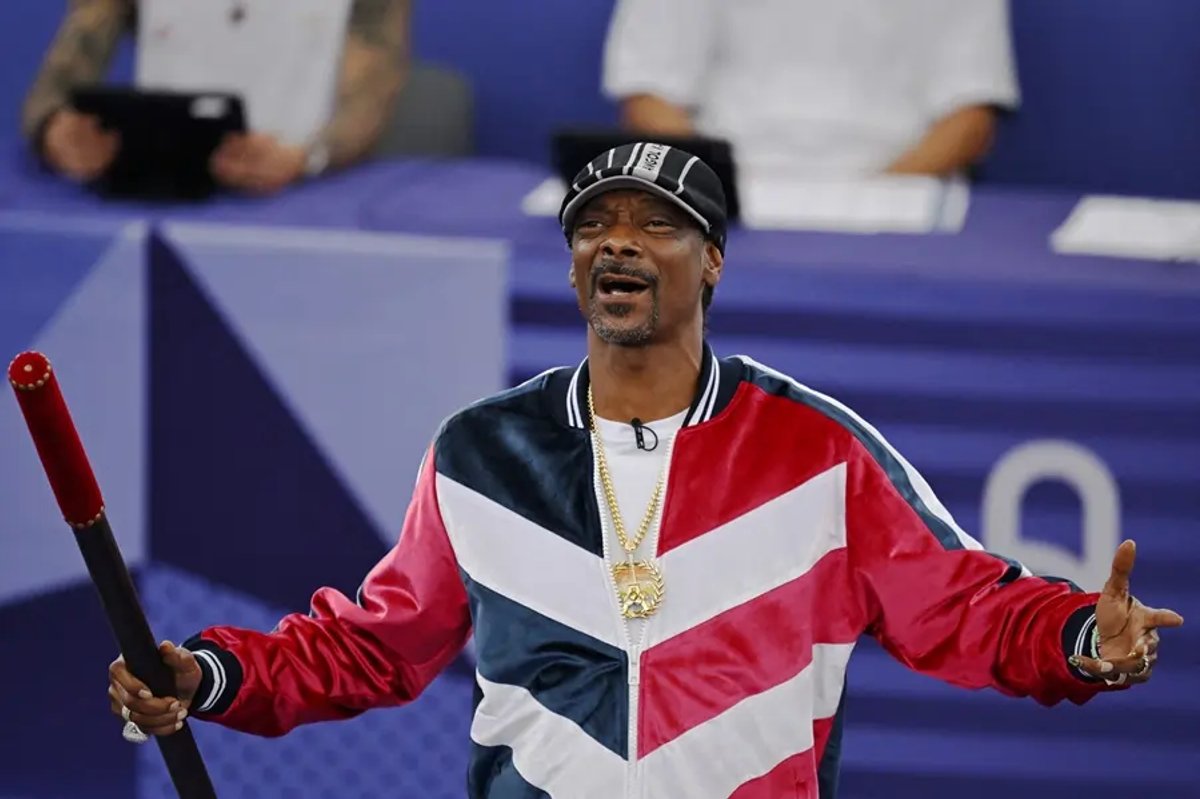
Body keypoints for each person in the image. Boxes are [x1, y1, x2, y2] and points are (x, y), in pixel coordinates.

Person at [108, 143, 1183, 798]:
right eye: (594, 226)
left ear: (711, 259)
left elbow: (966, 606)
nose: (616, 244)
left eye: (655, 225)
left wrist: (1082, 638)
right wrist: (210, 675)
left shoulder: (818, 449)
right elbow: (371, 646)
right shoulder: (481, 452)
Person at [603, 0, 1019, 182]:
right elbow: (648, 95)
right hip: (727, 196)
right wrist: (716, 191)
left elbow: (970, 117)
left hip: (904, 195)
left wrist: (877, 197)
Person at [20, 0, 409, 194]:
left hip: (302, 193)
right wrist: (52, 127)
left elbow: (373, 84)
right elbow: (70, 60)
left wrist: (311, 157)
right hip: (164, 186)